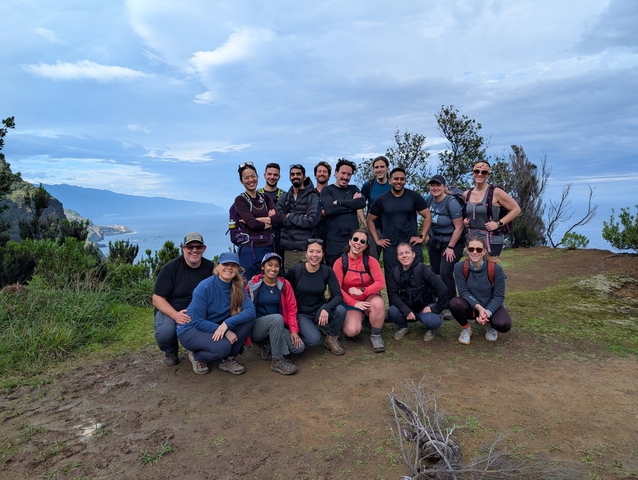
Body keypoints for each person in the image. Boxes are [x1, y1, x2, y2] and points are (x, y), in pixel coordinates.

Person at [177, 252, 255, 375]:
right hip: (191, 328)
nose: (229, 268)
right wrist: (225, 330)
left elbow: (251, 311)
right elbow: (198, 321)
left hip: (216, 325)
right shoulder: (204, 287)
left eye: (233, 265)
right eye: (225, 264)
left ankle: (227, 359)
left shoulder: (237, 286)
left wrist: (226, 324)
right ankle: (197, 356)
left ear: (237, 269)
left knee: (246, 321)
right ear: (218, 266)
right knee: (222, 347)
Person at [152, 232, 214, 366]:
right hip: (172, 309)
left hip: (200, 309)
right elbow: (157, 299)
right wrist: (175, 315)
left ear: (204, 248)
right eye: (190, 247)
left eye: (198, 247)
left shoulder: (210, 267)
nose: (194, 250)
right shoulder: (170, 269)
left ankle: (200, 350)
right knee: (165, 332)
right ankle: (171, 351)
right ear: (183, 249)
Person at [366, 167, 431, 282]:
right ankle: (395, 300)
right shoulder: (382, 199)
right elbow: (370, 220)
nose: (399, 181)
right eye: (396, 179)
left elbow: (427, 216)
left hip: (411, 243)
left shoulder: (413, 196)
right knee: (393, 279)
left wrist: (422, 236)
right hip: (391, 245)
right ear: (390, 180)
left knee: (418, 277)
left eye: (402, 179)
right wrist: (377, 240)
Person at [285, 239, 346, 355]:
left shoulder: (327, 271)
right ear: (305, 253)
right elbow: (284, 292)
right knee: (314, 340)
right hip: (301, 313)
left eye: (318, 252)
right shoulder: (296, 270)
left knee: (340, 310)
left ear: (323, 254)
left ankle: (331, 338)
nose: (314, 255)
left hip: (319, 310)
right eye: (311, 251)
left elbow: (338, 295)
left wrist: (326, 308)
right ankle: (300, 330)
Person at [246, 253, 303, 375]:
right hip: (257, 327)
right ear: (263, 266)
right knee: (277, 318)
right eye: (270, 265)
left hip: (278, 326)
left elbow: (292, 309)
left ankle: (268, 345)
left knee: (299, 348)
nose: (273, 268)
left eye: (276, 266)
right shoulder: (253, 285)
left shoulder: (284, 285)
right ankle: (277, 361)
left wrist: (293, 331)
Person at [333, 229, 386, 352]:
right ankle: (358, 319)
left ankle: (376, 335)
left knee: (378, 304)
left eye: (362, 241)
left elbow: (381, 283)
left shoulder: (371, 261)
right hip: (350, 302)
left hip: (368, 299)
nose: (358, 243)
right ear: (350, 241)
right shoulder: (340, 262)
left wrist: (363, 291)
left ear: (366, 246)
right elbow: (337, 289)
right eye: (355, 239)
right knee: (352, 331)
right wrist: (354, 303)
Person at [451, 236, 512, 345]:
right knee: (455, 303)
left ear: (484, 252)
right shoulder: (459, 267)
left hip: (490, 305)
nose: (475, 252)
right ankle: (466, 329)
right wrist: (479, 308)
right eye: (471, 249)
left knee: (504, 324)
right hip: (471, 306)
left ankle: (490, 325)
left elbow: (499, 296)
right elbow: (463, 292)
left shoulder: (496, 269)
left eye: (478, 250)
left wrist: (487, 312)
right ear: (467, 251)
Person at [387, 243, 448, 342]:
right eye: (401, 254)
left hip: (425, 307)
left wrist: (437, 308)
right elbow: (392, 295)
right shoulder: (394, 273)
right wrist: (405, 310)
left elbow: (442, 288)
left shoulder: (423, 269)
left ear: (413, 254)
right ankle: (403, 327)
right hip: (407, 308)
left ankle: (431, 329)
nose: (404, 256)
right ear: (397, 257)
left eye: (407, 252)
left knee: (433, 321)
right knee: (392, 311)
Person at [234, 162, 282, 280]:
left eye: (253, 176)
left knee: (269, 283)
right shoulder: (240, 200)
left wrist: (258, 220)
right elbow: (253, 224)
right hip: (249, 250)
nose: (251, 180)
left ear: (257, 177)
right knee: (248, 286)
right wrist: (269, 221)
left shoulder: (265, 198)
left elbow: (278, 218)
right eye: (246, 177)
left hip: (267, 247)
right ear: (241, 181)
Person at [463, 161, 521, 256]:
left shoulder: (496, 192)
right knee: (474, 268)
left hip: (492, 240)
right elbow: (468, 213)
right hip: (472, 239)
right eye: (477, 171)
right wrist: (466, 221)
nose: (480, 174)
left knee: (490, 268)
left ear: (488, 174)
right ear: (473, 173)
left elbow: (516, 209)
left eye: (484, 172)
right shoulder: (466, 194)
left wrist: (498, 224)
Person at [423, 174, 465, 303]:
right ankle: (440, 299)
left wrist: (451, 247)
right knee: (435, 272)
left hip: (452, 241)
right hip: (435, 240)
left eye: (438, 185)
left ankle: (451, 303)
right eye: (432, 185)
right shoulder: (429, 199)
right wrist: (425, 234)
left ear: (444, 187)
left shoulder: (451, 202)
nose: (435, 188)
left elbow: (459, 227)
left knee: (446, 272)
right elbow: (426, 217)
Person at [321, 159, 366, 266]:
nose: (346, 177)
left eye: (349, 174)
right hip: (334, 240)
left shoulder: (353, 188)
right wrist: (352, 206)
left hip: (353, 240)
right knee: (334, 274)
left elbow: (361, 203)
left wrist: (339, 202)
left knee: (354, 273)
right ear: (336, 173)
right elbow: (329, 209)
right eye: (343, 173)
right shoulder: (327, 190)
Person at [277, 164, 321, 272]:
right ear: (289, 177)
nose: (295, 176)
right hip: (289, 250)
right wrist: (302, 218)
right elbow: (279, 219)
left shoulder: (313, 197)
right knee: (290, 284)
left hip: (306, 250)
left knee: (308, 283)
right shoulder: (284, 197)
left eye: (298, 174)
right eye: (292, 174)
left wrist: (290, 216)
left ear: (304, 177)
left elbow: (311, 221)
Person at [358, 155, 391, 260]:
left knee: (392, 261)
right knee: (372, 260)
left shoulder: (394, 185)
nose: (379, 170)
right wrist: (364, 222)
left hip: (391, 229)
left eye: (382, 167)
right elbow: (359, 205)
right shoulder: (368, 185)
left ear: (387, 168)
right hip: (373, 229)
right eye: (376, 167)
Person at [258, 162, 285, 257]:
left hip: (281, 238)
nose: (272, 177)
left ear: (279, 177)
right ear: (264, 175)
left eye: (275, 175)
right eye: (269, 174)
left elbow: (286, 216)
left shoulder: (284, 195)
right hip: (261, 236)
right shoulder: (257, 195)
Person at [313, 161, 332, 243]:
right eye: (319, 171)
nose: (322, 174)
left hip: (331, 234)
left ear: (329, 176)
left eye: (325, 172)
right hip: (313, 235)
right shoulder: (309, 194)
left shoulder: (334, 193)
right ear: (315, 175)